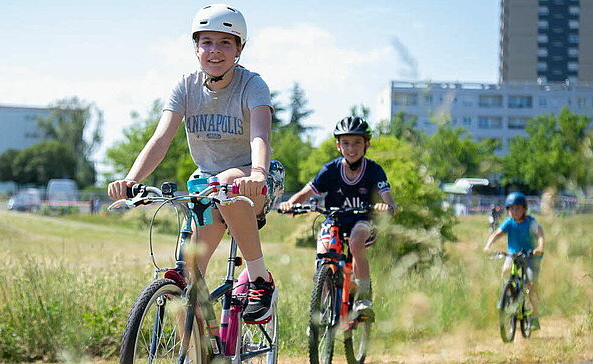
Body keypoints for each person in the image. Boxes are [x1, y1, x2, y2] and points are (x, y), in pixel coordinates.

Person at [107, 4, 284, 323]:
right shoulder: (185, 87)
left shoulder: (252, 85)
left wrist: (258, 173)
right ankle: (203, 348)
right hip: (206, 182)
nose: (215, 50)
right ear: (196, 46)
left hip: (253, 178)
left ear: (239, 48)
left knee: (228, 181)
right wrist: (130, 180)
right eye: (206, 42)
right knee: (189, 280)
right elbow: (160, 140)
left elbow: (261, 136)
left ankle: (259, 278)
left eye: (225, 42)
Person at [279, 116, 397, 320]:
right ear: (338, 146)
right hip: (334, 219)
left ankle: (363, 299)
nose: (351, 148)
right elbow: (305, 193)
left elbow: (388, 199)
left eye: (357, 142)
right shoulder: (331, 169)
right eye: (346, 143)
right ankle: (323, 304)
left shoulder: (374, 170)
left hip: (363, 220)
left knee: (355, 240)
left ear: (366, 144)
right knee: (323, 253)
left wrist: (386, 206)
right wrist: (291, 203)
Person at [483, 192, 545, 330]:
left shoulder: (530, 222)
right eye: (511, 208)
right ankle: (506, 296)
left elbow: (540, 233)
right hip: (513, 254)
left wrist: (540, 247)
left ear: (524, 209)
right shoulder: (509, 223)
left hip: (530, 255)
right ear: (507, 210)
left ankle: (534, 317)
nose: (514, 211)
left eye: (517, 208)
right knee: (505, 271)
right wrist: (488, 246)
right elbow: (497, 234)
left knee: (531, 284)